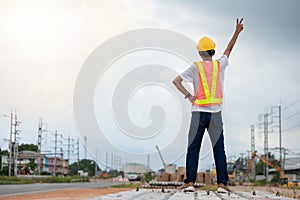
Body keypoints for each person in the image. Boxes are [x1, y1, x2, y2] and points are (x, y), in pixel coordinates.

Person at [173, 18, 244, 193]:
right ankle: (222, 184)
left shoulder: (195, 67)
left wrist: (190, 96)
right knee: (219, 149)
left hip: (198, 113)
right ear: (213, 51)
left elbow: (176, 81)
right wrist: (237, 31)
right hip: (216, 114)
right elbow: (229, 49)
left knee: (193, 148)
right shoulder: (220, 64)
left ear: (200, 53)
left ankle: (189, 183)